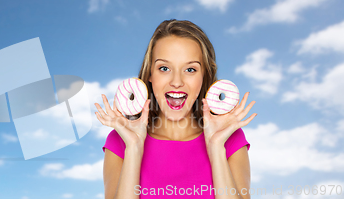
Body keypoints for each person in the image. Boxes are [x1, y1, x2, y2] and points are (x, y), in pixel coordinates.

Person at [94, 19, 257, 199]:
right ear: (149, 74)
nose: (177, 82)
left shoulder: (229, 138)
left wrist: (216, 147)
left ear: (205, 76)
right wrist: (133, 147)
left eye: (190, 69)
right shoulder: (121, 141)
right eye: (164, 68)